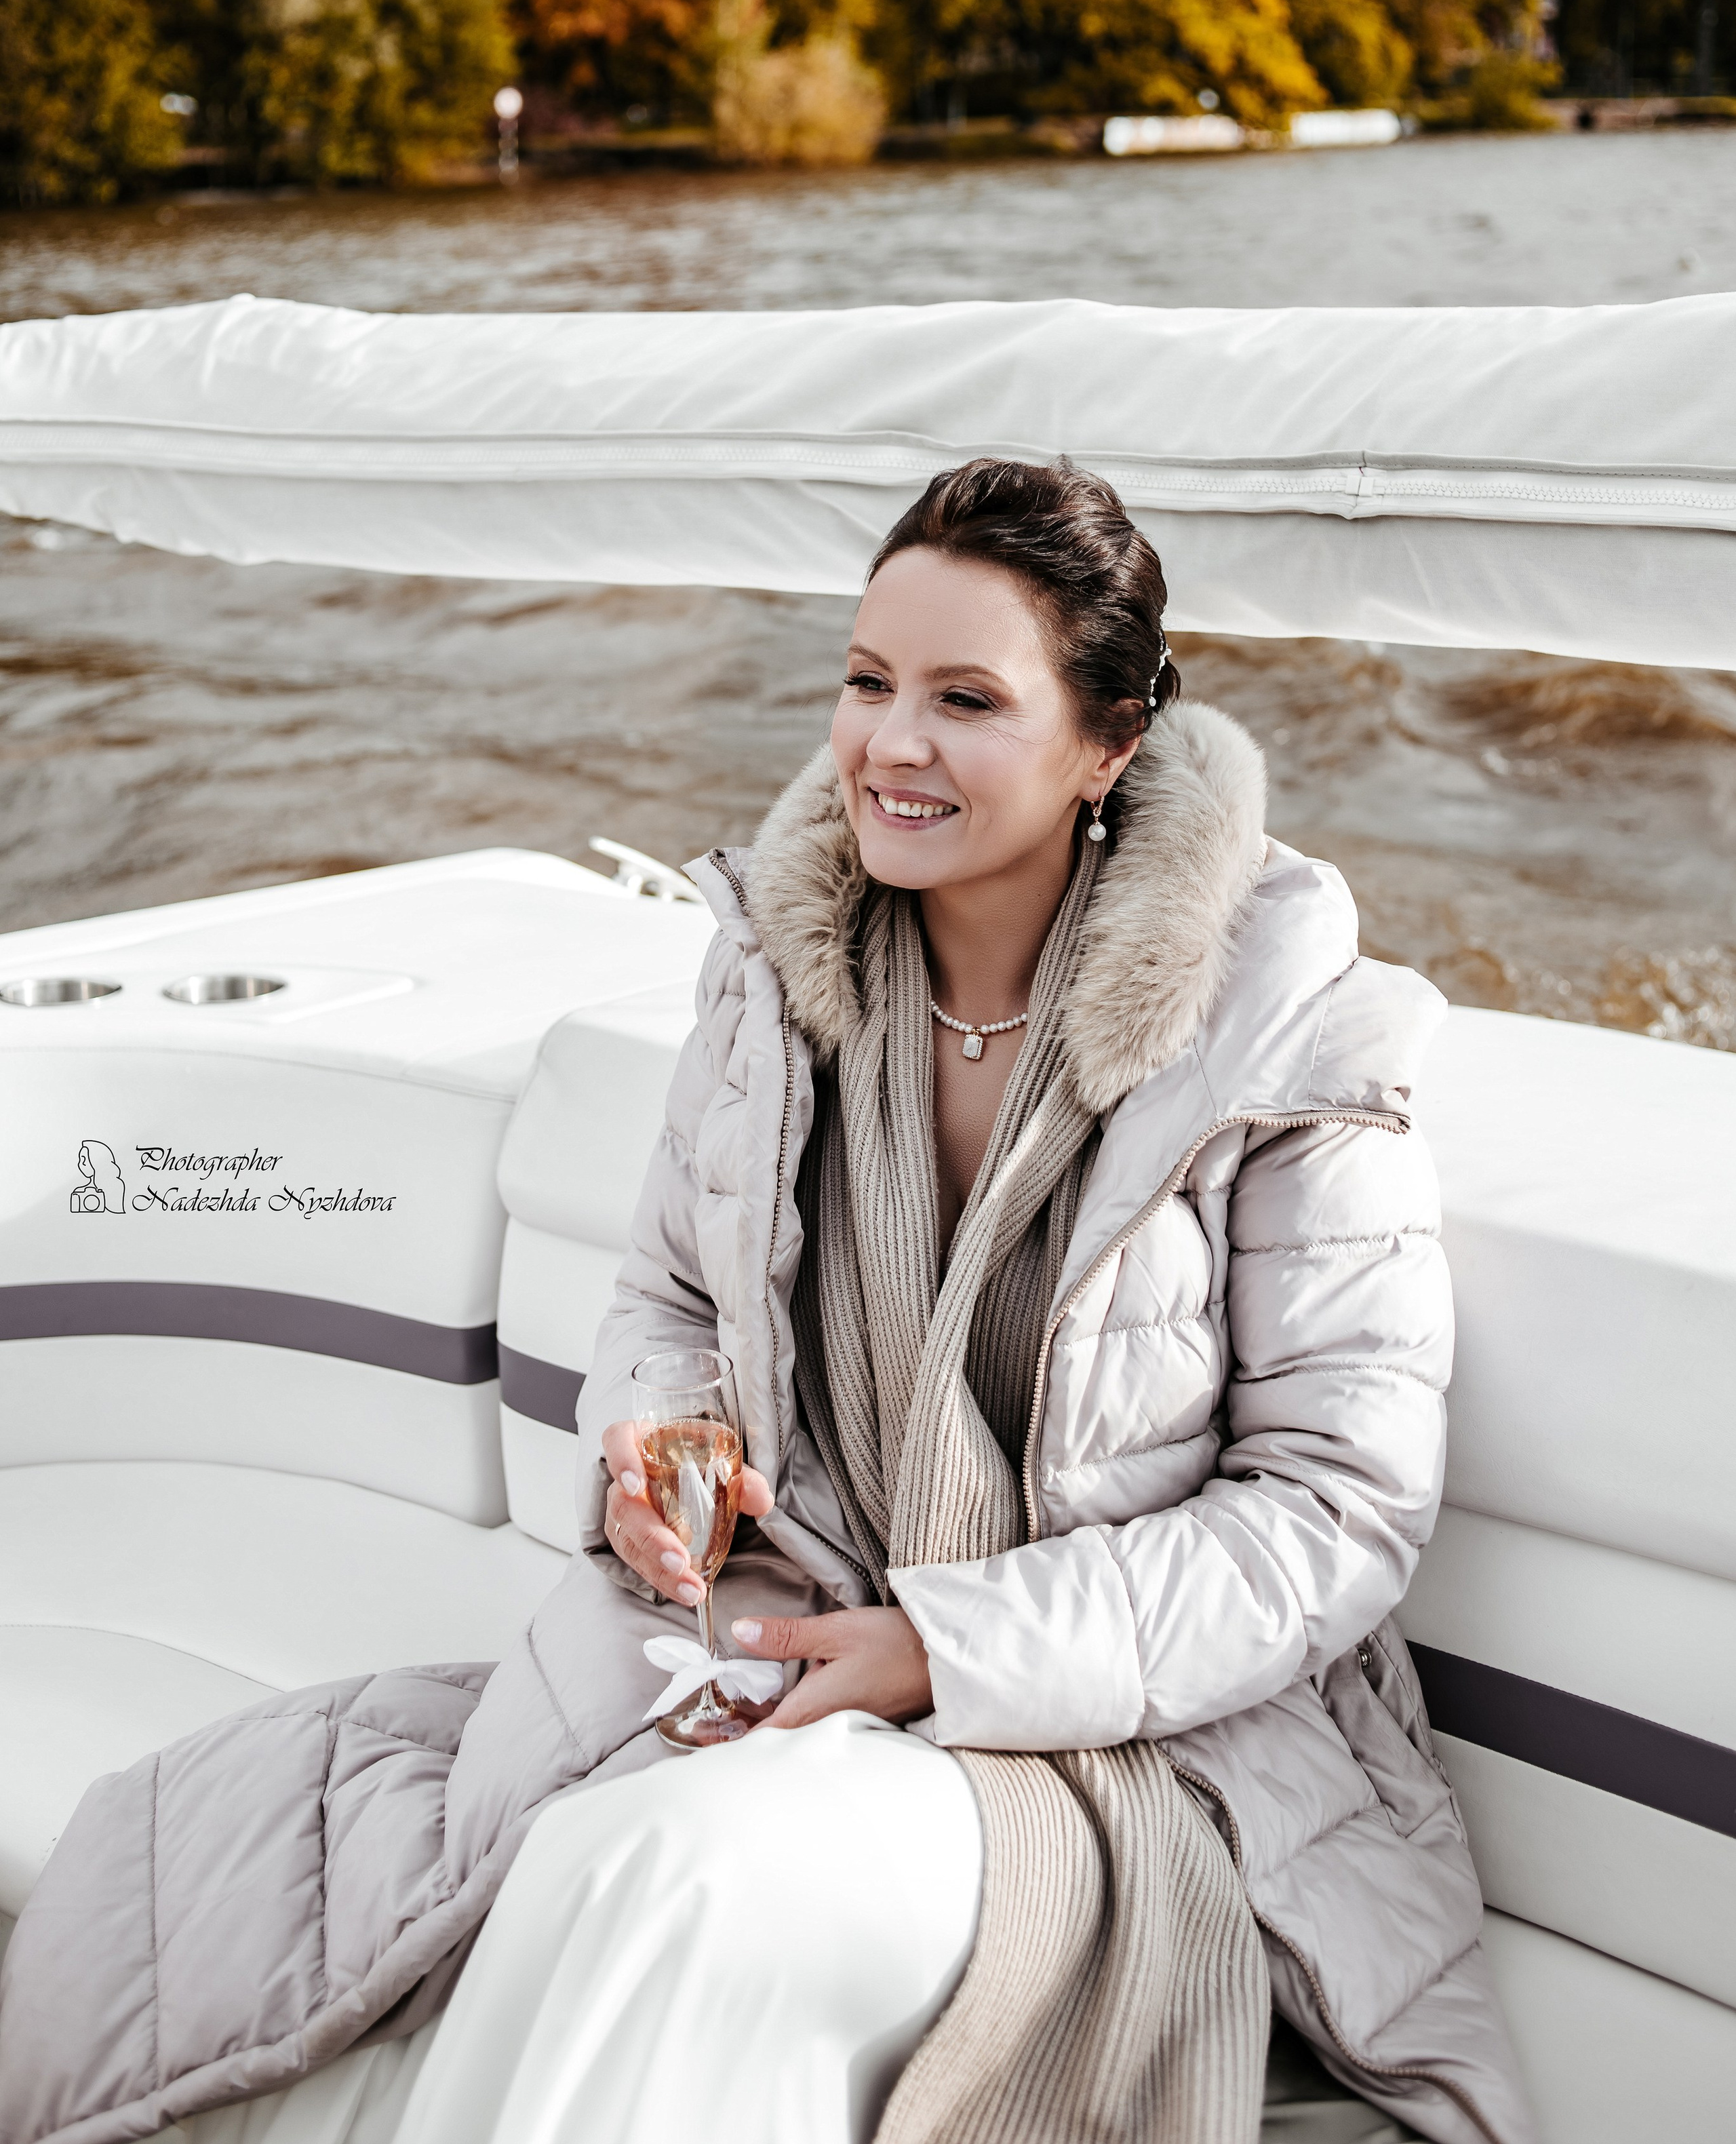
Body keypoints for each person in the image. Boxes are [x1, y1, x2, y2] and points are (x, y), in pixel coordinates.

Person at [81, 457, 1530, 2144]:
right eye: (865, 681)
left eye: (965, 699)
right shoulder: (777, 974)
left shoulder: (1290, 1036)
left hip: (1125, 1734)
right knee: (552, 1880)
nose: (887, 745)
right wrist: (656, 1440)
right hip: (785, 1618)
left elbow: (1332, 1513)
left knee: (668, 1886)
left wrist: (945, 1651)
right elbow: (669, 1293)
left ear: (1111, 744)